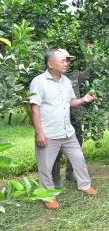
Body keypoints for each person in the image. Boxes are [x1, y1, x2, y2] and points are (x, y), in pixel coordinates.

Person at [29, 49, 97, 210]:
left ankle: (84, 185)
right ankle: (48, 196)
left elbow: (70, 102)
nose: (66, 63)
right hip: (48, 133)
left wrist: (83, 99)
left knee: (79, 159)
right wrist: (39, 133)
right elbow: (34, 108)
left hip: (67, 131)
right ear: (50, 64)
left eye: (67, 60)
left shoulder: (65, 81)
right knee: (45, 167)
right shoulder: (38, 82)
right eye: (62, 61)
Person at [51, 48, 91, 189]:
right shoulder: (47, 79)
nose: (67, 62)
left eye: (68, 59)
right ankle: (55, 178)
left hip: (74, 118)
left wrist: (90, 55)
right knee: (54, 151)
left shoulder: (75, 76)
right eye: (64, 59)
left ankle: (70, 173)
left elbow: (89, 74)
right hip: (56, 121)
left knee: (76, 147)